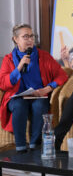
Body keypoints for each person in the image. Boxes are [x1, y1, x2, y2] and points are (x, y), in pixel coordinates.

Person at [0, 24, 68, 153]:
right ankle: (20, 147)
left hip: (38, 95)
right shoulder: (8, 59)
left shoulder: (44, 56)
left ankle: (35, 146)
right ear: (16, 39)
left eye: (31, 36)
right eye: (25, 36)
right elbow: (3, 83)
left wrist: (48, 88)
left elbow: (62, 74)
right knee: (19, 106)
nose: (30, 40)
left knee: (40, 106)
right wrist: (19, 67)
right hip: (17, 97)